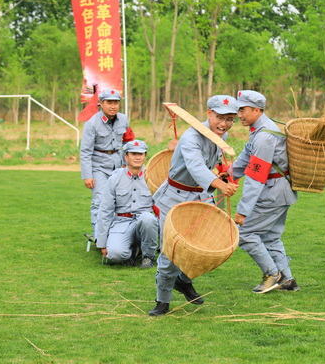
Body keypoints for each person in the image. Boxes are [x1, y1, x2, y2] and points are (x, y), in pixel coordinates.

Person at [148, 95, 239, 316]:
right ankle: (162, 301)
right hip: (175, 199)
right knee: (171, 251)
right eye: (220, 117)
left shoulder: (220, 136)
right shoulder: (191, 138)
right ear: (208, 113)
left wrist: (223, 174)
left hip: (201, 198)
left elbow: (212, 163)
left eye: (229, 119)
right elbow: (196, 166)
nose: (224, 124)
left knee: (201, 247)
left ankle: (184, 280)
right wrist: (218, 183)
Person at [231, 90, 299, 294]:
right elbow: (245, 158)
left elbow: (255, 177)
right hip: (279, 192)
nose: (239, 114)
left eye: (243, 110)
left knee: (244, 233)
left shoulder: (264, 137)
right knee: (270, 237)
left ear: (257, 110)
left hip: (272, 193)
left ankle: (272, 274)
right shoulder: (260, 131)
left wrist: (243, 211)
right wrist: (227, 176)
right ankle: (287, 279)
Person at [79, 89, 134, 239]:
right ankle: (98, 236)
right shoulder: (92, 124)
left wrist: (128, 164)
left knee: (121, 199)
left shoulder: (123, 119)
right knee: (100, 199)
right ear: (101, 104)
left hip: (118, 165)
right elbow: (85, 151)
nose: (113, 106)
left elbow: (128, 142)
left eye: (116, 102)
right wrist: (87, 176)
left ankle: (116, 234)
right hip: (98, 166)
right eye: (109, 102)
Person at [95, 140, 159, 268]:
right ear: (126, 156)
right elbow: (105, 210)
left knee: (148, 219)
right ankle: (134, 251)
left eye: (141, 154)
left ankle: (148, 256)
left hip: (145, 222)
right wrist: (102, 243)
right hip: (121, 221)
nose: (137, 157)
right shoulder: (115, 178)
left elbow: (163, 206)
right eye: (133, 154)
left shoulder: (154, 176)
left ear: (145, 156)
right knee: (114, 255)